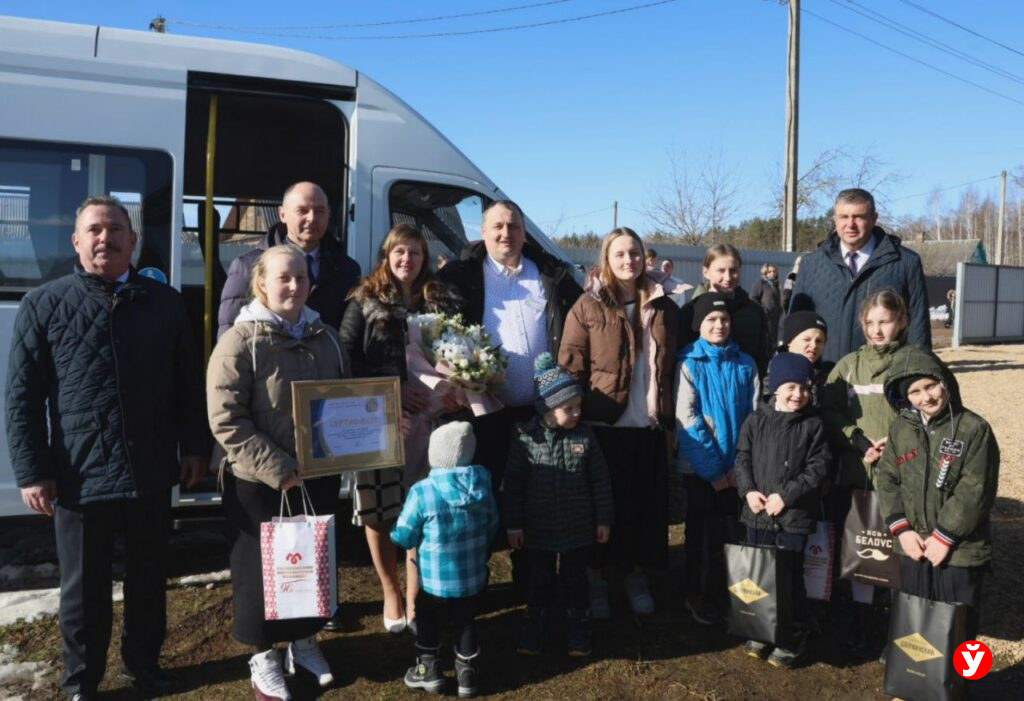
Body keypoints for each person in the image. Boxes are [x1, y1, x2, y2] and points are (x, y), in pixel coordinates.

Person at [5, 195, 208, 700]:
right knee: (83, 590)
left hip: (152, 466)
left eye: (116, 229)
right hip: (78, 472)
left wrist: (195, 448)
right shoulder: (44, 305)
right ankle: (81, 680)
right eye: (94, 229)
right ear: (76, 242)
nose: (106, 237)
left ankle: (144, 666)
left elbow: (189, 384)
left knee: (148, 579)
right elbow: (21, 398)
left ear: (133, 241)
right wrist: (32, 471)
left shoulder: (164, 303)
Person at [207, 245, 349, 701]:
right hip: (257, 481)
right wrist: (278, 467)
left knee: (311, 563)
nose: (293, 286)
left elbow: (345, 401)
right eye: (283, 278)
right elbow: (226, 419)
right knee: (259, 571)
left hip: (315, 475)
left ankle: (304, 642)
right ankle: (263, 656)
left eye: (301, 278)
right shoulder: (240, 340)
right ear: (261, 283)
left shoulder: (326, 336)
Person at [437, 200, 580, 589]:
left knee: (535, 495)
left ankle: (529, 577)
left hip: (539, 411)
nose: (506, 234)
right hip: (485, 411)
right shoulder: (462, 275)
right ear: (482, 233)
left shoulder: (549, 274)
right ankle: (476, 575)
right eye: (497, 226)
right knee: (482, 495)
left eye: (513, 226)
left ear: (524, 231)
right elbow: (441, 336)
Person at [340, 223, 461, 634]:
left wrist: (455, 388)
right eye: (399, 253)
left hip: (431, 420)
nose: (407, 260)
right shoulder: (364, 298)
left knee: (422, 509)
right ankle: (390, 592)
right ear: (386, 257)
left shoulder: (441, 300)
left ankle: (415, 595)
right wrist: (393, 393)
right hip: (378, 419)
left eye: (415, 252)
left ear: (425, 257)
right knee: (379, 509)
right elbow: (346, 357)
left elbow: (459, 352)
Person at [559, 227, 679, 617]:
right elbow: (571, 363)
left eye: (635, 253)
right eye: (620, 255)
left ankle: (633, 575)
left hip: (648, 426)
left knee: (641, 509)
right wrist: (567, 413)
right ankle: (596, 580)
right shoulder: (587, 306)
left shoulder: (663, 304)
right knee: (601, 510)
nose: (629, 261)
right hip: (603, 425)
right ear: (606, 261)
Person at [876, 347, 999, 644]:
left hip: (959, 550)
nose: (926, 397)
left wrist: (945, 536)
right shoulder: (900, 430)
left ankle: (959, 687)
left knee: (959, 625)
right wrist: (902, 531)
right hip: (913, 546)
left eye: (930, 385)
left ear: (945, 380)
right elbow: (888, 480)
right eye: (915, 392)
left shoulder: (974, 430)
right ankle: (913, 683)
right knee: (913, 623)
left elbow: (975, 491)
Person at [504, 353, 614, 657]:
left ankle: (578, 624)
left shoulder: (586, 437)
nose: (578, 413)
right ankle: (535, 623)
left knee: (575, 580)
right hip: (538, 530)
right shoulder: (525, 438)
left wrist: (603, 519)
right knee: (539, 579)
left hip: (578, 529)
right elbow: (513, 486)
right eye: (570, 408)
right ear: (548, 409)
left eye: (579, 406)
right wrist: (513, 524)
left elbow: (600, 482)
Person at [820, 289, 910, 658]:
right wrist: (857, 441)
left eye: (884, 321)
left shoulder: (911, 362)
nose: (877, 329)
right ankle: (859, 620)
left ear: (900, 322)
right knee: (863, 549)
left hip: (900, 479)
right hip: (857, 475)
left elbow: (927, 408)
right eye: (870, 323)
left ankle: (896, 628)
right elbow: (830, 412)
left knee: (897, 552)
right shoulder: (848, 365)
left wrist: (900, 439)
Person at [735, 353, 831, 669]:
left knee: (788, 576)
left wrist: (786, 496)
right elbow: (743, 458)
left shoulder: (813, 425)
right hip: (757, 514)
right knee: (759, 573)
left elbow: (818, 468)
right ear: (774, 387)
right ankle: (763, 628)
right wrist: (748, 490)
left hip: (792, 518)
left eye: (804, 388)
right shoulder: (755, 420)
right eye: (790, 386)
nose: (798, 394)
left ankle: (793, 632)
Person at [392, 422, 499, 699]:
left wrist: (401, 538)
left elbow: (404, 534)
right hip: (471, 574)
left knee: (425, 615)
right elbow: (492, 523)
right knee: (466, 620)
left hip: (432, 578)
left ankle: (428, 669)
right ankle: (467, 672)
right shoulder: (483, 483)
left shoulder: (423, 491)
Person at [676, 292, 759, 625]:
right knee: (700, 535)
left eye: (723, 319)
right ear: (699, 325)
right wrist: (713, 472)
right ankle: (696, 593)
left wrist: (742, 468)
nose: (719, 325)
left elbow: (754, 419)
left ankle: (732, 595)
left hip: (736, 470)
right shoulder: (689, 363)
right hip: (700, 470)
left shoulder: (746, 363)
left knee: (733, 536)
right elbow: (688, 419)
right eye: (711, 319)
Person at [789, 188, 930, 363]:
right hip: (825, 377)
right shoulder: (811, 264)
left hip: (882, 377)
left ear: (874, 219)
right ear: (835, 220)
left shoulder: (905, 263)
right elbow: (795, 328)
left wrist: (917, 374)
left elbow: (918, 324)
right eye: (843, 217)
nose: (850, 224)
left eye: (859, 217)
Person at [217, 181, 361, 338]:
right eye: (302, 211)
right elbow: (230, 336)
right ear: (282, 214)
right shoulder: (248, 266)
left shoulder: (347, 270)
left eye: (319, 211)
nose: (312, 218)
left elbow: (350, 337)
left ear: (329, 214)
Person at [680, 244, 772, 377]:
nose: (728, 277)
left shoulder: (754, 312)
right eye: (721, 270)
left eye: (733, 270)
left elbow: (763, 356)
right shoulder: (691, 312)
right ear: (706, 272)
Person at [766, 311, 834, 408]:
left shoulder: (829, 374)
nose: (814, 345)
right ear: (789, 341)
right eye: (806, 339)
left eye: (819, 341)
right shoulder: (775, 373)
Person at [750, 263, 783, 344]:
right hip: (764, 318)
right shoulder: (760, 283)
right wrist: (763, 310)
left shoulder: (777, 285)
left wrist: (780, 310)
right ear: (765, 273)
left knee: (773, 341)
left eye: (774, 271)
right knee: (765, 340)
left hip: (775, 319)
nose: (772, 273)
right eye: (769, 272)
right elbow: (753, 298)